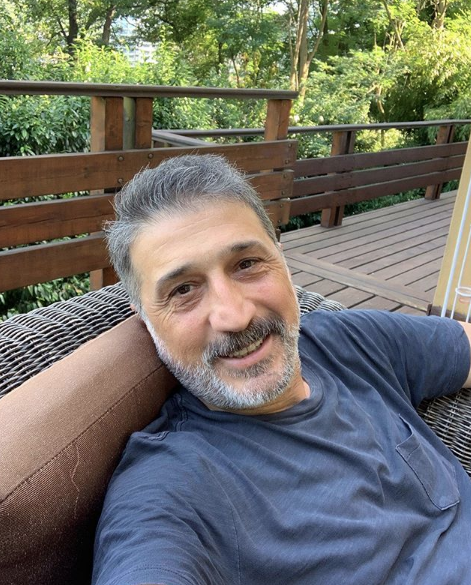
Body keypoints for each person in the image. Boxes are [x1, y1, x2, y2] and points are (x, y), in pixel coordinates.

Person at [93, 154, 471, 585]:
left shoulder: (347, 340)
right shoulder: (171, 487)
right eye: (183, 290)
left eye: (246, 264)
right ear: (144, 318)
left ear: (282, 258)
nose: (235, 316)